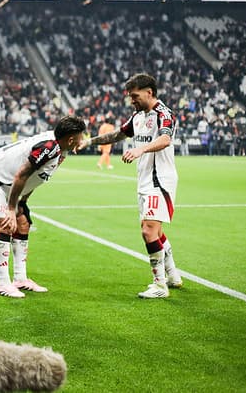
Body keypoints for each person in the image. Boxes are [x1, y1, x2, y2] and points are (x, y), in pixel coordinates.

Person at [77, 73, 182, 298]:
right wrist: (90, 141)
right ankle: (173, 275)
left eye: (134, 96)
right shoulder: (138, 117)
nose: (131, 100)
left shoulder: (164, 114)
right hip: (144, 181)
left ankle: (159, 285)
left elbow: (165, 139)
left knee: (148, 231)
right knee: (156, 230)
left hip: (159, 181)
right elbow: (118, 134)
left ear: (149, 92)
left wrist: (139, 149)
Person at [0, 116, 86, 298]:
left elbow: (35, 179)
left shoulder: (59, 147)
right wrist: (11, 208)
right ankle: (3, 283)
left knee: (23, 223)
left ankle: (20, 278)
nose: (82, 141)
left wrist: (22, 202)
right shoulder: (49, 148)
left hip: (7, 183)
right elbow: (21, 175)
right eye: (80, 137)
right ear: (70, 139)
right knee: (7, 224)